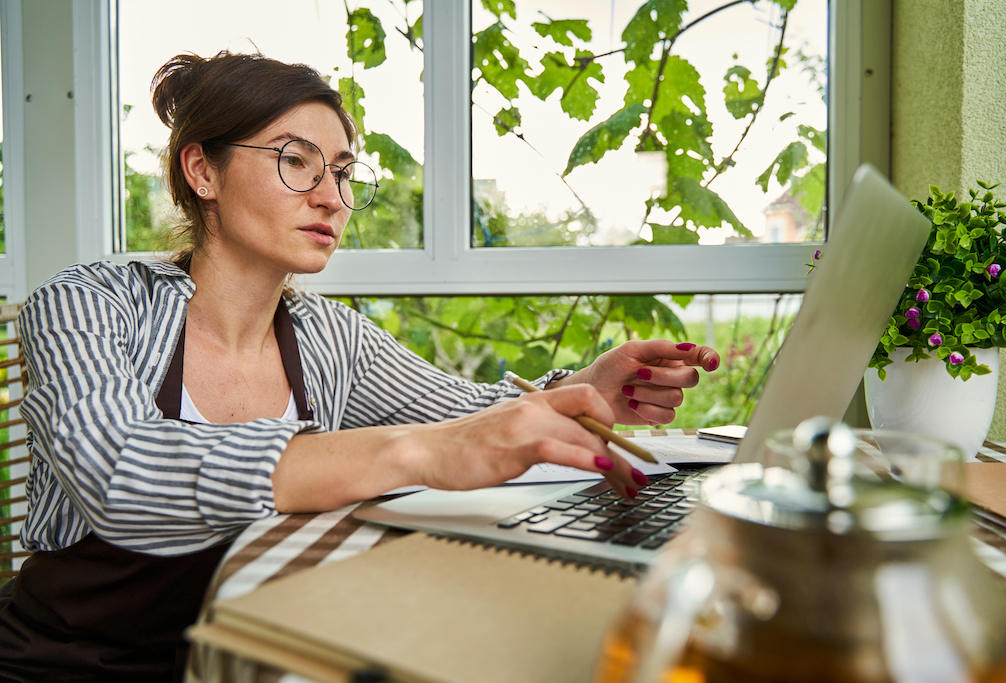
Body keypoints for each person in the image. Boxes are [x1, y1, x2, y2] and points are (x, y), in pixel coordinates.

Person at [0, 51, 719, 682]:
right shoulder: (87, 302)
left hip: (253, 643)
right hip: (71, 660)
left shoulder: (328, 335)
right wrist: (410, 453)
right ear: (201, 169)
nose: (331, 198)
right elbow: (120, 473)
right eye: (295, 161)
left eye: (343, 172)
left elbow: (463, 412)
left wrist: (581, 389)